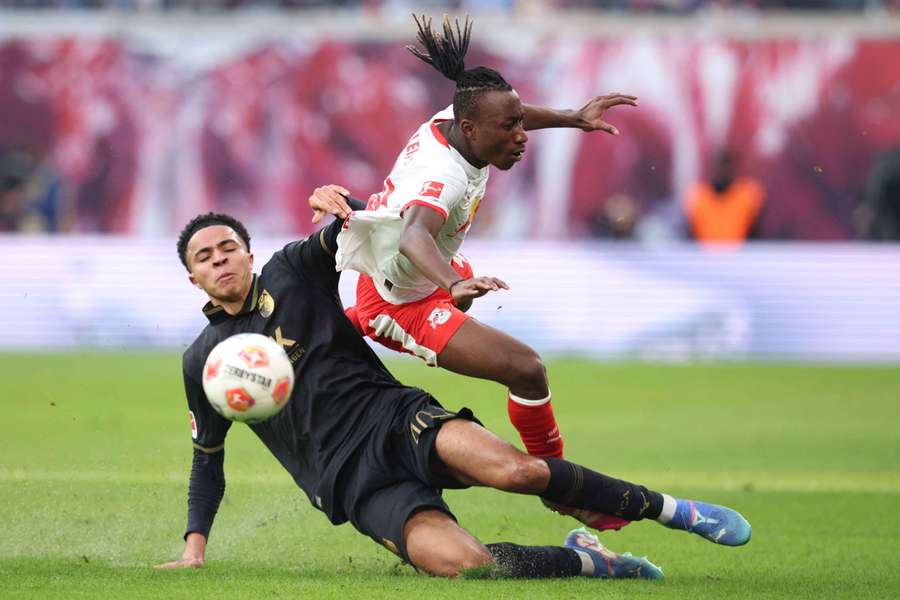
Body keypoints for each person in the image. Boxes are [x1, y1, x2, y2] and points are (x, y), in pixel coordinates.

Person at [157, 210, 751, 579]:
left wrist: (340, 205)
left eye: (227, 247)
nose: (220, 260)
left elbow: (360, 227)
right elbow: (205, 463)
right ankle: (591, 560)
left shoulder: (292, 270)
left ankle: (676, 511)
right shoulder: (202, 363)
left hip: (392, 418)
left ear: (248, 252)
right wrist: (194, 548)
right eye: (205, 258)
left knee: (516, 472)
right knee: (467, 566)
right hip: (348, 483)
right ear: (193, 278)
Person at [308, 15, 639, 531]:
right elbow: (417, 234)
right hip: (403, 301)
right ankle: (562, 488)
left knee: (528, 371)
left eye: (517, 122)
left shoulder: (461, 119)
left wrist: (574, 117)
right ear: (470, 129)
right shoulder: (442, 175)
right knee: (526, 369)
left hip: (421, 276)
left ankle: (329, 330)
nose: (521, 135)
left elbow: (507, 108)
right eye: (509, 128)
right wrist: (453, 285)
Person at [684, 149, 766, 244]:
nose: (722, 172)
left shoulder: (747, 196)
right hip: (705, 256)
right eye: (719, 167)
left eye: (726, 167)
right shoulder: (698, 197)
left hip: (740, 256)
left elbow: (754, 233)